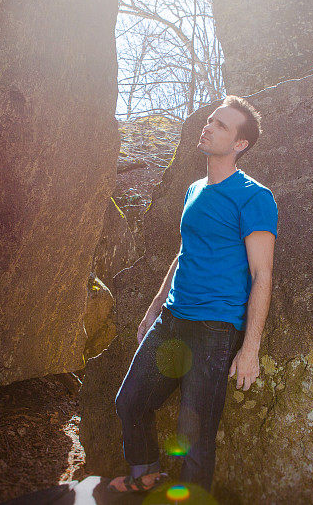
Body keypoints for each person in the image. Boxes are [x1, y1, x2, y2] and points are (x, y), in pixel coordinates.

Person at [108, 95, 277, 496]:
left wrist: (250, 347)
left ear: (240, 145)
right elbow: (185, 252)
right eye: (210, 120)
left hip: (215, 329)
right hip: (171, 319)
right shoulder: (194, 189)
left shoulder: (254, 197)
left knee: (194, 435)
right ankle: (145, 475)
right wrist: (152, 310)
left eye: (221, 125)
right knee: (130, 402)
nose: (208, 126)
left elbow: (262, 272)